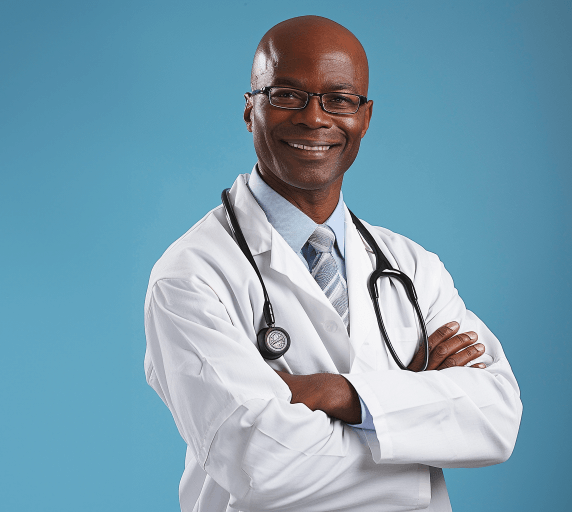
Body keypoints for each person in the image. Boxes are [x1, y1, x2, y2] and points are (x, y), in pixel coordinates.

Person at [143, 16, 521, 512]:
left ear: (364, 117)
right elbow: (262, 463)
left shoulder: (412, 266)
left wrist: (342, 394)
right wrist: (415, 431)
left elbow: (496, 419)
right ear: (249, 108)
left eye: (339, 99)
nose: (314, 118)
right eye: (286, 95)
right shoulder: (190, 276)